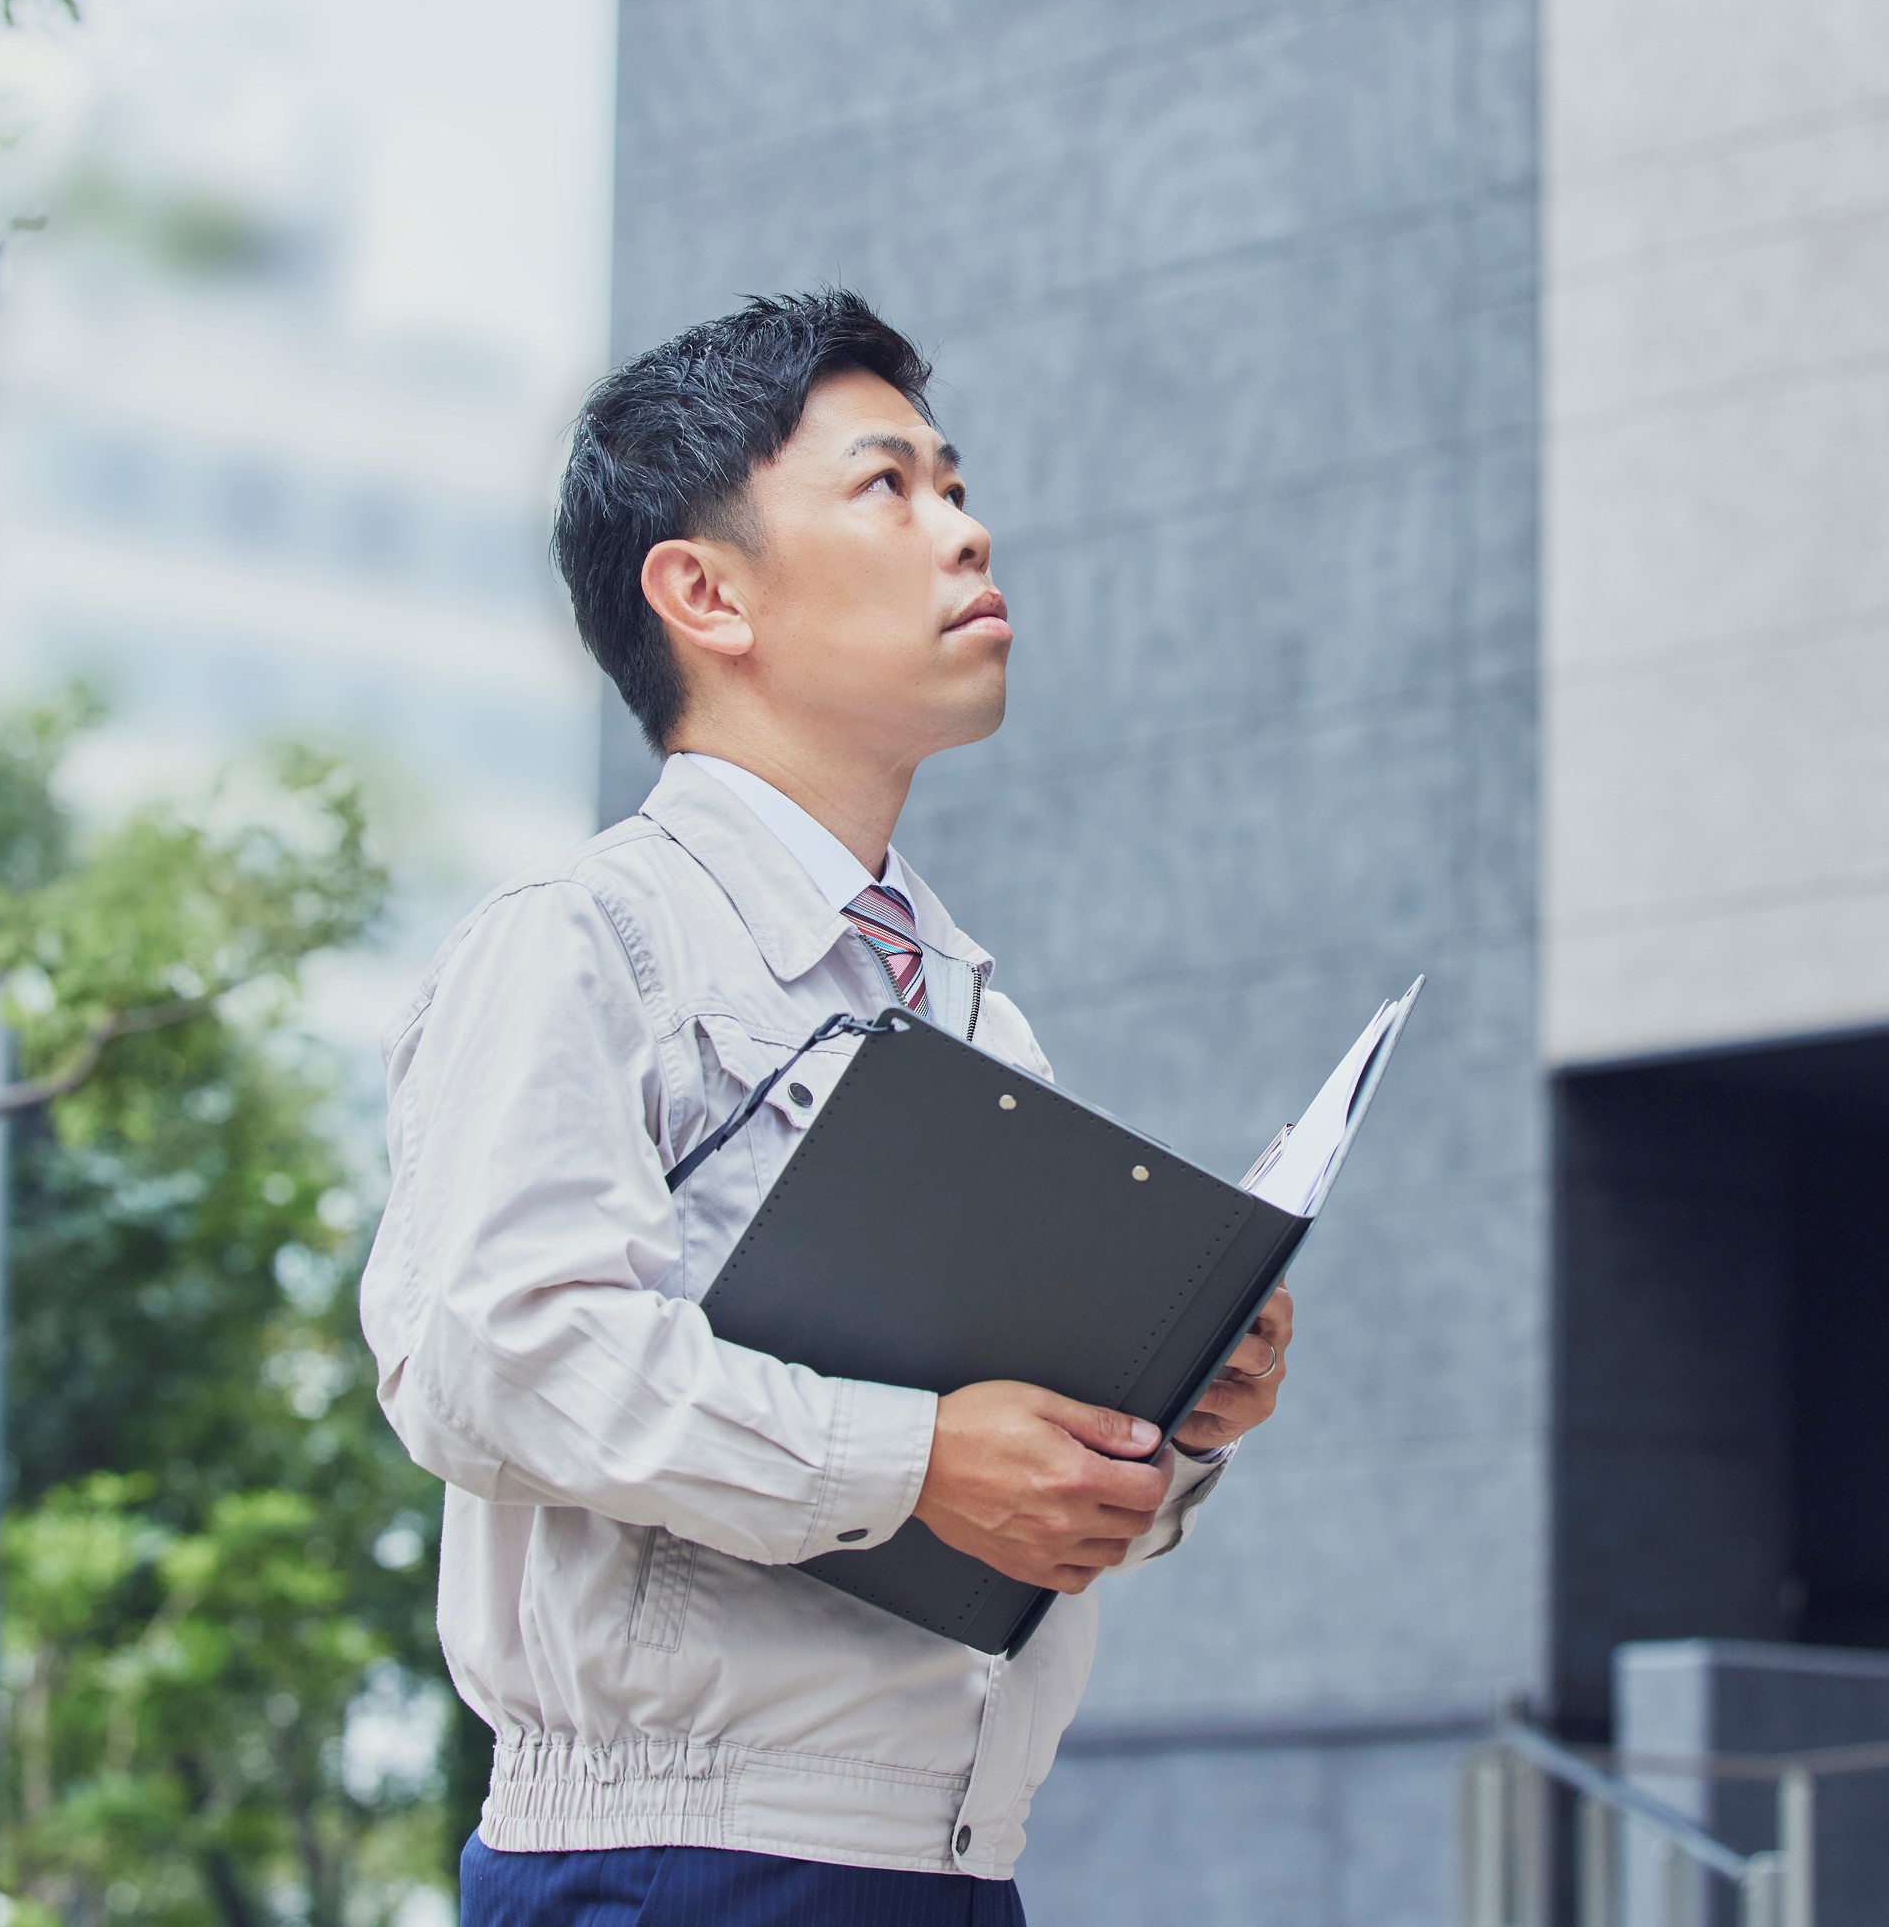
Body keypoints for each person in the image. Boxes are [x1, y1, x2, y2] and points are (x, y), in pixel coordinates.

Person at [362, 291, 1295, 1924]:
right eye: (891, 487)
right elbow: (486, 1355)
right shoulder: (587, 942)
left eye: (956, 481)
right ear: (704, 589)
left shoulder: (969, 1007)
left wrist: (1170, 1416)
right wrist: (912, 1453)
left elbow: (1012, 1501)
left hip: (953, 1870)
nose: (968, 526)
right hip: (676, 1864)